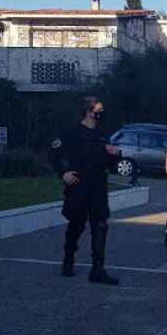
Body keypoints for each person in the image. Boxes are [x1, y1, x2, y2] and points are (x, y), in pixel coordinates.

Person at [49, 95, 122, 285]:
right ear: (89, 111)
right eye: (99, 111)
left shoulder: (102, 134)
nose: (102, 114)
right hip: (78, 185)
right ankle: (68, 260)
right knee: (76, 225)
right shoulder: (72, 132)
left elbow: (109, 162)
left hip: (98, 186)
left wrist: (116, 154)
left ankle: (98, 269)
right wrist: (63, 173)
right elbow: (54, 155)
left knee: (100, 226)